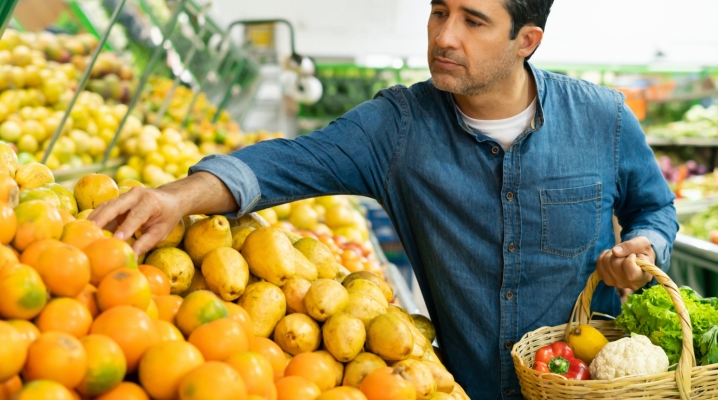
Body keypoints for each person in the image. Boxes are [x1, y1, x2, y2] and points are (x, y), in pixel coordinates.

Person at [90, 0, 678, 397]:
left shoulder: (604, 119)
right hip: (457, 385)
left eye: (473, 21)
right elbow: (287, 162)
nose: (444, 37)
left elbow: (655, 208)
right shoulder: (398, 129)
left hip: (582, 385)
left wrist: (645, 246)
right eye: (438, 11)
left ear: (527, 40)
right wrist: (177, 197)